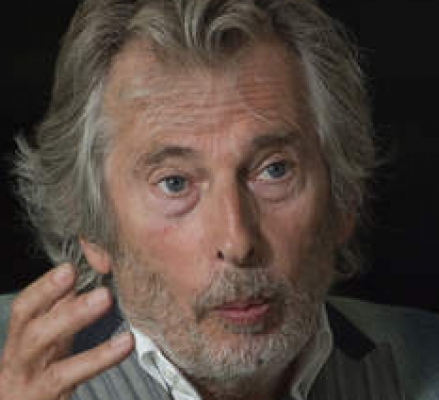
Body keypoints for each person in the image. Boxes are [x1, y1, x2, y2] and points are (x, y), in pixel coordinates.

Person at [0, 0, 438, 399]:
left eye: (275, 170)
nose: (237, 241)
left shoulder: (426, 360)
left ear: (343, 199)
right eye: (175, 183)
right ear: (92, 225)